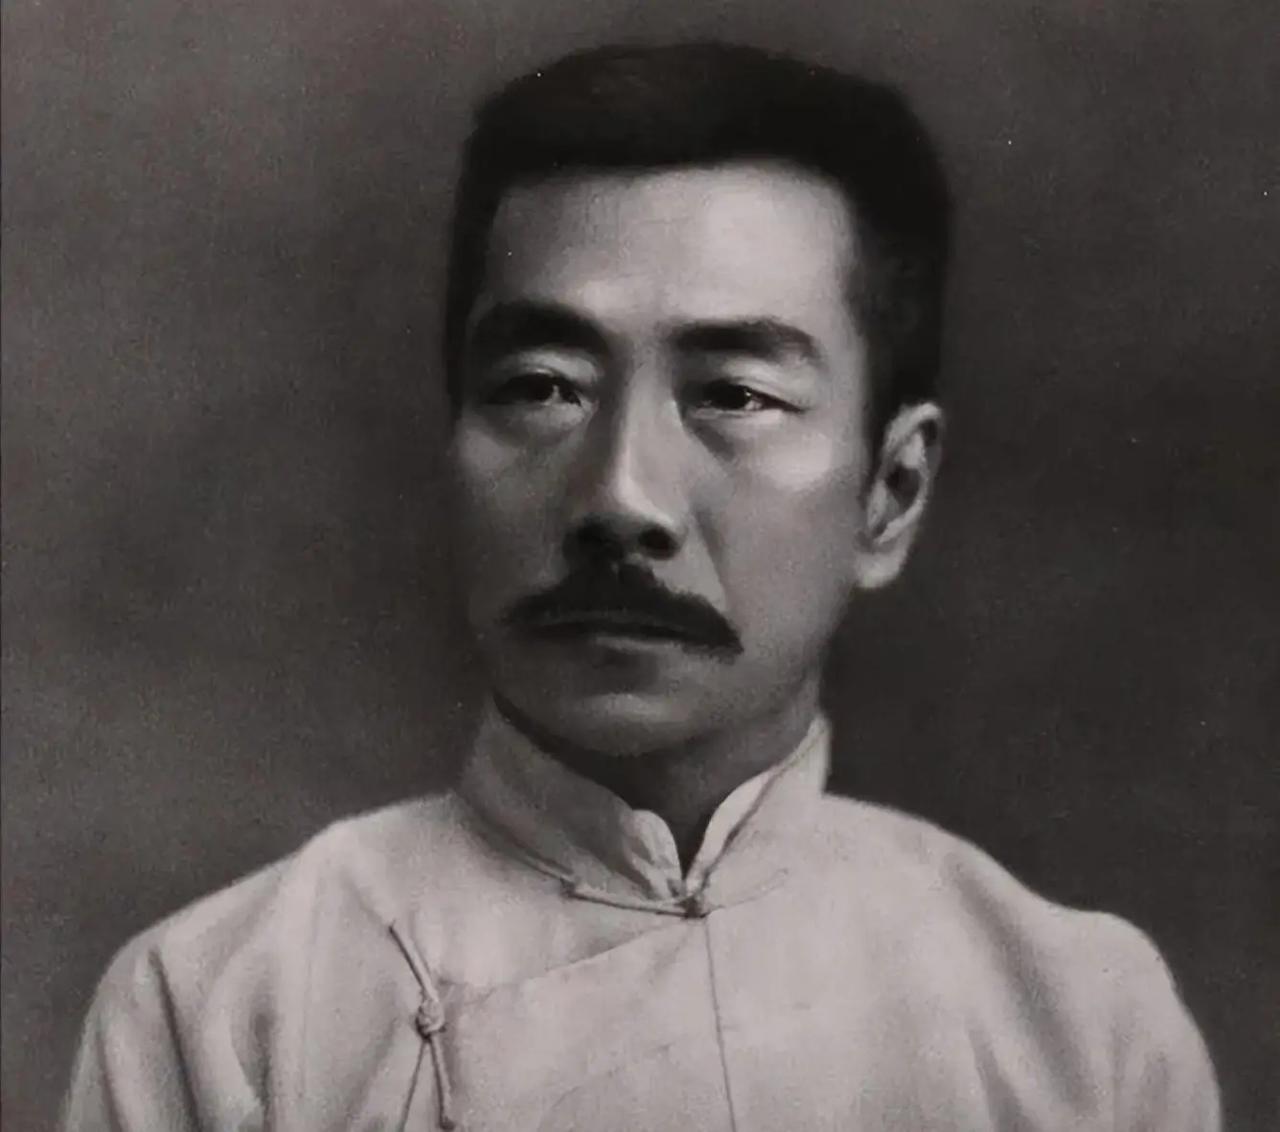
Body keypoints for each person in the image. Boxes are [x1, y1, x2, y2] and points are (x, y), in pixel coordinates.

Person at [62, 42, 1220, 1131]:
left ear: (890, 491)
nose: (619, 498)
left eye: (732, 395)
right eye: (542, 386)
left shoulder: (1079, 1030)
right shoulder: (225, 1010)